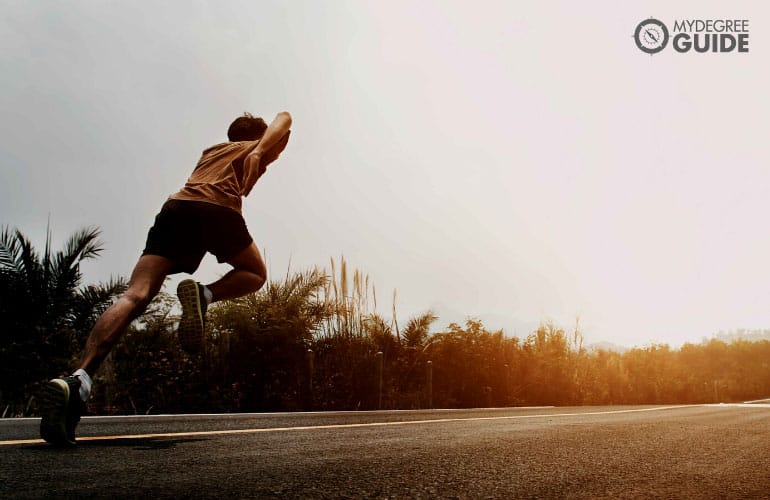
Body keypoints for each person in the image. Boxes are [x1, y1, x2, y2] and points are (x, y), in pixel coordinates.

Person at [38, 111, 292, 446]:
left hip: (176, 210)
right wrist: (260, 149)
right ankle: (206, 296)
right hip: (217, 209)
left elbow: (191, 248)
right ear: (256, 137)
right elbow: (285, 119)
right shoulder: (252, 148)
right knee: (255, 273)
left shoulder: (211, 152)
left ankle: (79, 378)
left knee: (135, 295)